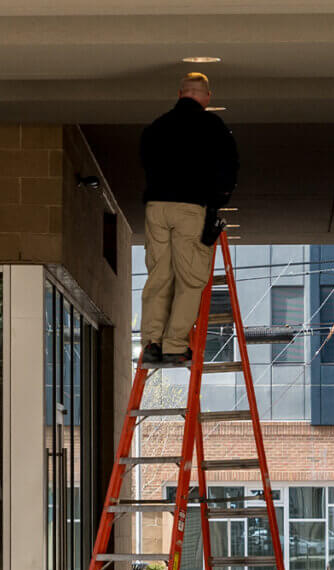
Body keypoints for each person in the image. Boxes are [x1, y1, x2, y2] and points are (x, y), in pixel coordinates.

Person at [139, 72, 239, 366]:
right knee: (190, 278)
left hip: (156, 207)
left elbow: (145, 162)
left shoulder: (155, 128)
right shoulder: (213, 127)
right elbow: (227, 172)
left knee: (159, 275)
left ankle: (152, 344)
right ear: (207, 97)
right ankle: (174, 346)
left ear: (179, 93)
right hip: (191, 208)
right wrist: (216, 206)